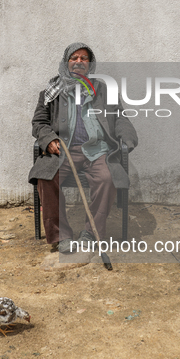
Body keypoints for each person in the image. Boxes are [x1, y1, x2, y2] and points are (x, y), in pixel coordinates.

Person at [28, 42, 138, 253]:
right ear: (66, 62)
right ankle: (62, 235)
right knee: (46, 177)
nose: (79, 62)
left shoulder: (103, 90)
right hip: (63, 151)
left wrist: (128, 140)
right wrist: (49, 139)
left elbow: (120, 117)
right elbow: (39, 123)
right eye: (74, 58)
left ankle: (91, 232)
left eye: (84, 58)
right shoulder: (50, 93)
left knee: (107, 178)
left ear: (90, 64)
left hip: (97, 151)